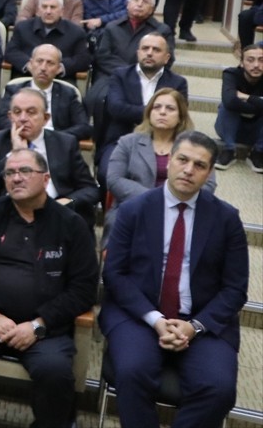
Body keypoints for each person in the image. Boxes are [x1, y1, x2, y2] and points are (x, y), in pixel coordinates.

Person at [100, 131, 247, 428]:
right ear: (169, 161)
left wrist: (194, 327)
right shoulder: (133, 210)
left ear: (208, 173)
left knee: (219, 389)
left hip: (203, 322)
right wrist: (155, 319)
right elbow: (114, 274)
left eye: (199, 165)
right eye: (182, 159)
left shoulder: (227, 219)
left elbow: (235, 288)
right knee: (131, 372)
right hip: (139, 314)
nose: (189, 170)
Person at [0, 147, 99, 428]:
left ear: (46, 178)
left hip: (45, 328)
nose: (16, 178)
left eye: (25, 171)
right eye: (10, 173)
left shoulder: (71, 224)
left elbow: (84, 289)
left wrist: (38, 325)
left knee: (56, 372)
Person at [0, 88, 100, 226]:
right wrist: (15, 153)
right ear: (10, 117)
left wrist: (67, 201)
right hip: (8, 217)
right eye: (17, 112)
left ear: (45, 118)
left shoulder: (65, 143)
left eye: (31, 112)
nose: (23, 118)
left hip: (55, 215)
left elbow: (90, 190)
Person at [106, 88, 205, 235]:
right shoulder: (128, 142)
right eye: (157, 107)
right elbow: (114, 179)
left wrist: (173, 202)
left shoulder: (195, 147)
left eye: (170, 108)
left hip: (179, 211)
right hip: (134, 209)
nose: (162, 112)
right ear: (149, 113)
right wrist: (156, 200)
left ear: (181, 117)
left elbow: (207, 184)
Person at [100, 32, 188, 171]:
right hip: (121, 138)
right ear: (138, 53)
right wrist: (155, 112)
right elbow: (116, 109)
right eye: (145, 48)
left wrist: (133, 110)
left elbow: (178, 115)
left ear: (167, 58)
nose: (149, 53)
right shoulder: (120, 75)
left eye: (156, 50)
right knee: (107, 174)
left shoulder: (178, 83)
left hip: (162, 142)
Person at [0, 44, 92, 141]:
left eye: (50, 63)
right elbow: (1, 119)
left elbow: (83, 127)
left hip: (55, 147)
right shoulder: (14, 90)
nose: (43, 68)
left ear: (58, 69)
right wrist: (24, 133)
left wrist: (51, 137)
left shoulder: (68, 94)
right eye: (39, 61)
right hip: (20, 141)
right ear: (31, 64)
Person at [5, 0, 91, 82]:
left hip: (60, 80)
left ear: (62, 11)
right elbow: (11, 52)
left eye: (53, 7)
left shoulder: (76, 32)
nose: (48, 11)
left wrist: (59, 67)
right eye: (44, 7)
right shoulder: (22, 27)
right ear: (38, 10)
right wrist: (29, 65)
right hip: (26, 77)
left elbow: (83, 59)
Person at [214, 40, 263, 172]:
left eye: (261, 60)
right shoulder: (231, 74)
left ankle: (257, 152)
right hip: (228, 129)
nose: (256, 65)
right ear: (241, 63)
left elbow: (235, 100)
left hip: (257, 132)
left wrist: (246, 97)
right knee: (226, 106)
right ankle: (229, 150)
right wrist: (259, 103)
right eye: (250, 60)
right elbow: (229, 101)